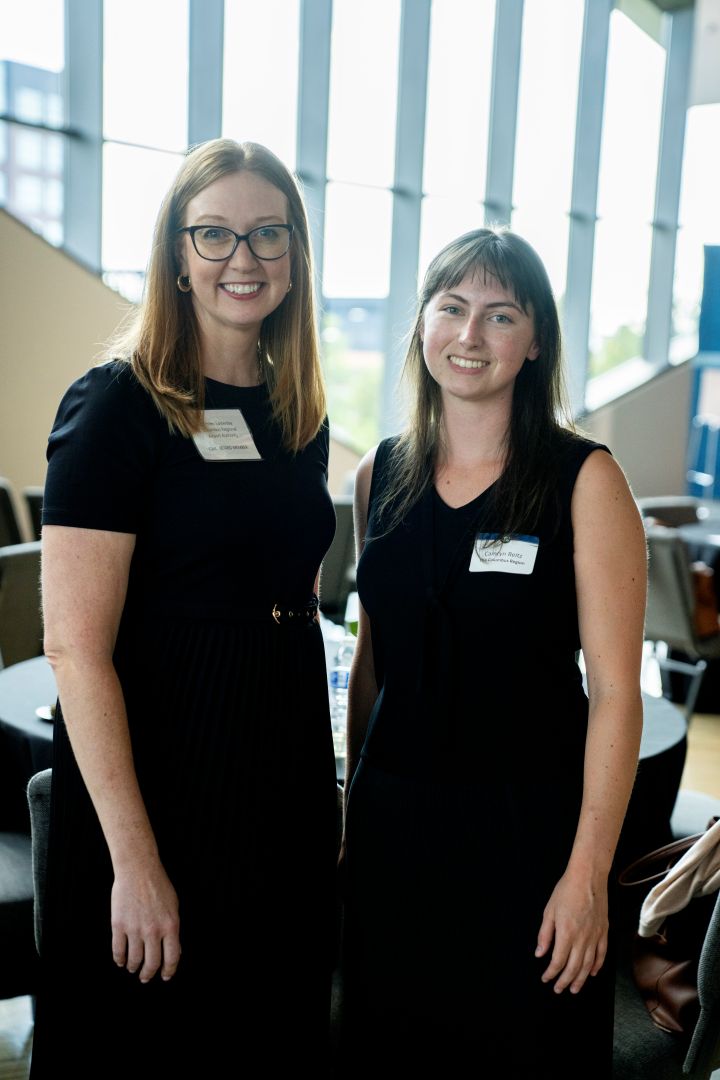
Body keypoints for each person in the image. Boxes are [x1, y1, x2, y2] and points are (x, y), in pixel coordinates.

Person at [33, 139, 338, 1078]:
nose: (243, 257)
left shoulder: (298, 411)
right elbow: (74, 650)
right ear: (176, 253)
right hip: (162, 783)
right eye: (214, 233)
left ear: (294, 256)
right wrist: (134, 862)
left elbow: (289, 590)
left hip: (278, 776)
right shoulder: (117, 407)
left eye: (268, 234)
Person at [339, 228, 647, 1078]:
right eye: (452, 308)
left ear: (535, 339)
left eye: (500, 315)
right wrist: (352, 812)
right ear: (422, 324)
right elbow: (375, 659)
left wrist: (588, 876)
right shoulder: (378, 474)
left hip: (529, 837)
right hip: (394, 830)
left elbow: (617, 695)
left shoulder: (586, 480)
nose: (470, 335)